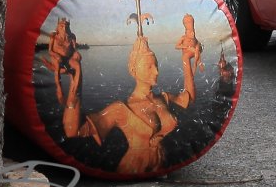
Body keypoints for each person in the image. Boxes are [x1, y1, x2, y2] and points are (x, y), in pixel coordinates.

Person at [60, 31, 197, 177]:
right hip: (134, 170)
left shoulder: (163, 99)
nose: (156, 71)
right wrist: (76, 78)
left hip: (163, 167)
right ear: (133, 70)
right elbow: (72, 131)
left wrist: (186, 60)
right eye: (149, 67)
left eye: (156, 65)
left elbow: (188, 98)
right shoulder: (122, 110)